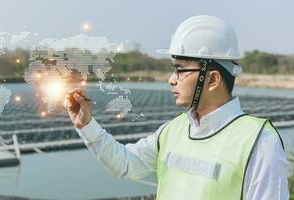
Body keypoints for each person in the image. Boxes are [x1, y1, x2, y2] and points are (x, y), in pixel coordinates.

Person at [63, 15, 289, 200]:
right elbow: (125, 164)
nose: (171, 79)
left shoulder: (259, 142)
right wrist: (86, 124)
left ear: (212, 80)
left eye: (180, 70)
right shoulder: (173, 130)